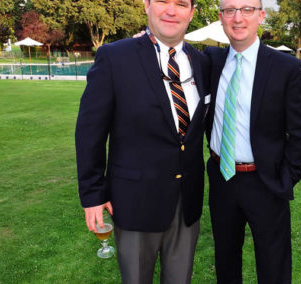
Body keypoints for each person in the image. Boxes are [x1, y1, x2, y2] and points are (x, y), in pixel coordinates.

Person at [75, 0, 210, 282]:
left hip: (187, 204)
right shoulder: (114, 57)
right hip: (134, 201)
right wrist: (92, 194)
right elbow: (90, 131)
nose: (171, 10)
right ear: (147, 5)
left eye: (181, 4)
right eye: (163, 1)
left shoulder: (202, 62)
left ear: (192, 12)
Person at [205, 0, 301, 283]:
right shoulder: (211, 61)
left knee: (273, 263)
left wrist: (286, 178)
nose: (238, 18)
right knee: (225, 259)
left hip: (266, 182)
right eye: (230, 10)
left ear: (261, 15)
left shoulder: (285, 67)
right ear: (221, 17)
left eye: (247, 9)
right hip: (222, 177)